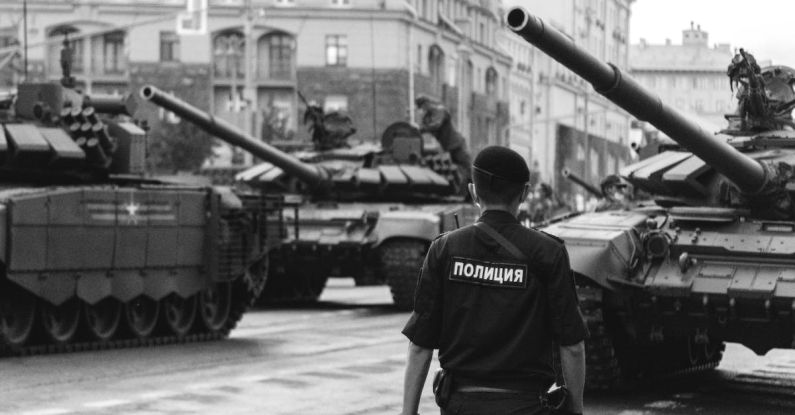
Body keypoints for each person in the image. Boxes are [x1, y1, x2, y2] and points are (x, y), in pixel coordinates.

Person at [400, 146, 588, 415]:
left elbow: (420, 346)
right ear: (523, 193)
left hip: (460, 405)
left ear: (473, 191)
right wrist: (576, 410)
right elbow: (572, 346)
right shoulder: (548, 253)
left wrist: (408, 412)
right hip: (526, 406)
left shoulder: (444, 250)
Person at [415, 96, 473, 186]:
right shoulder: (427, 117)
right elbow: (421, 129)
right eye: (421, 108)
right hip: (447, 147)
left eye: (423, 106)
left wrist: (422, 128)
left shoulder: (440, 110)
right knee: (456, 170)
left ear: (427, 103)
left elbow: (436, 125)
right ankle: (464, 192)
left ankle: (477, 192)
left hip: (457, 144)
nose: (423, 109)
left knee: (468, 168)